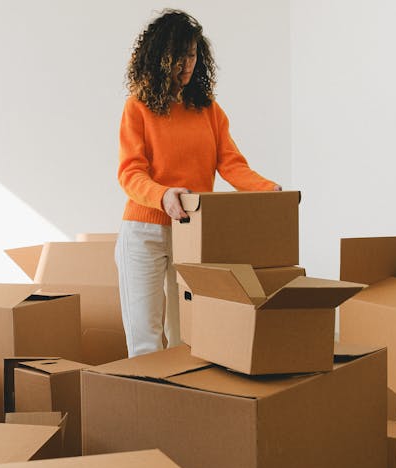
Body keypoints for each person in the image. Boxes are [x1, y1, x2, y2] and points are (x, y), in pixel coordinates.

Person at [115, 9, 282, 358]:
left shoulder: (208, 110)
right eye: (180, 55)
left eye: (193, 54)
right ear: (160, 56)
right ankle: (144, 409)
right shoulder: (138, 108)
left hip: (192, 234)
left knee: (187, 336)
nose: (187, 64)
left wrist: (269, 192)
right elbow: (130, 173)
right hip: (144, 232)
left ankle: (184, 409)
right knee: (145, 339)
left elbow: (232, 164)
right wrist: (163, 196)